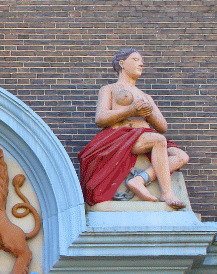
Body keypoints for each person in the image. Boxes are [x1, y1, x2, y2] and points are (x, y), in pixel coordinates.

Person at [78, 49, 190, 209]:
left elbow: (163, 126)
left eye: (141, 61)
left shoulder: (145, 96)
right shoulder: (109, 89)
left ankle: (139, 180)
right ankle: (167, 193)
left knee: (181, 156)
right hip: (123, 136)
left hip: (145, 135)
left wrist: (148, 114)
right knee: (159, 140)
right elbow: (100, 118)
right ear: (122, 63)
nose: (141, 64)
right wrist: (130, 111)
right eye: (136, 59)